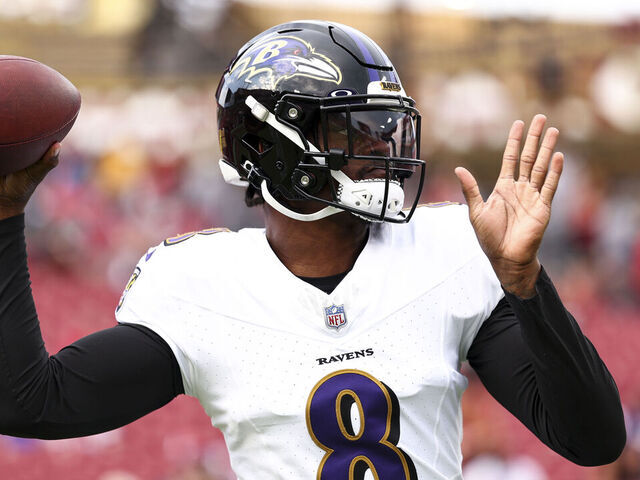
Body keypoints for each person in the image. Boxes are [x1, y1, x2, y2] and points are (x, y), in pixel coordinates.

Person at [0, 20, 626, 480]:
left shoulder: (449, 251)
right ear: (271, 146)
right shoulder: (198, 286)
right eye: (352, 126)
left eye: (384, 123)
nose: (382, 145)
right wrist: (4, 215)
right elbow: (29, 402)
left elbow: (593, 440)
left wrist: (525, 282)